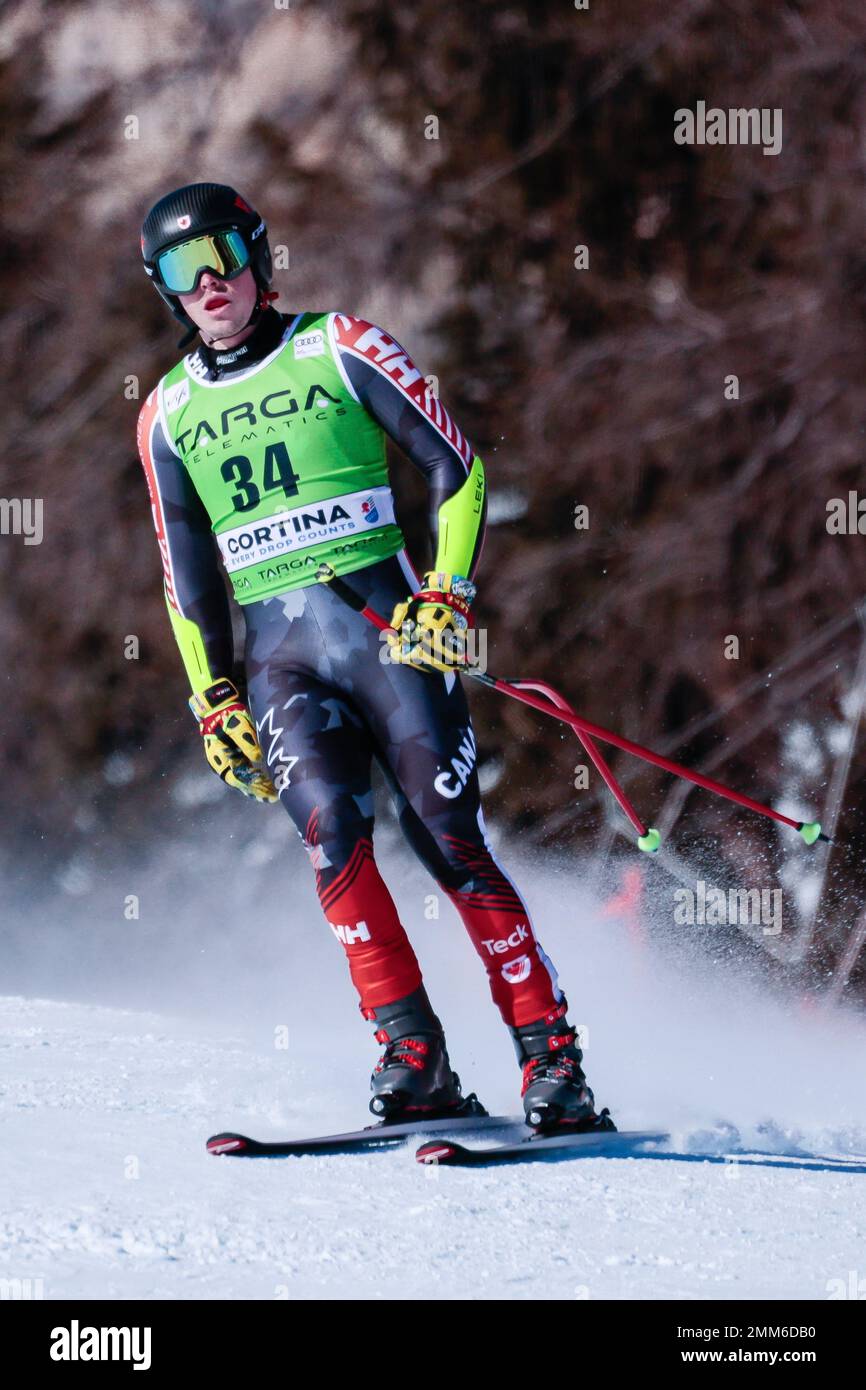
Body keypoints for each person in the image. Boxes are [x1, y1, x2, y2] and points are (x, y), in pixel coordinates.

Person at [137, 181, 611, 1132]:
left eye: (226, 255)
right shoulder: (165, 413)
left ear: (260, 258)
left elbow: (456, 467)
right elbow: (185, 579)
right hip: (281, 661)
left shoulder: (343, 344)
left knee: (446, 836)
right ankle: (413, 1056)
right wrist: (211, 699)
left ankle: (552, 1061)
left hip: (389, 635)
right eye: (185, 272)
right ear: (167, 292)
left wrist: (445, 592)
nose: (213, 283)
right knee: (333, 840)